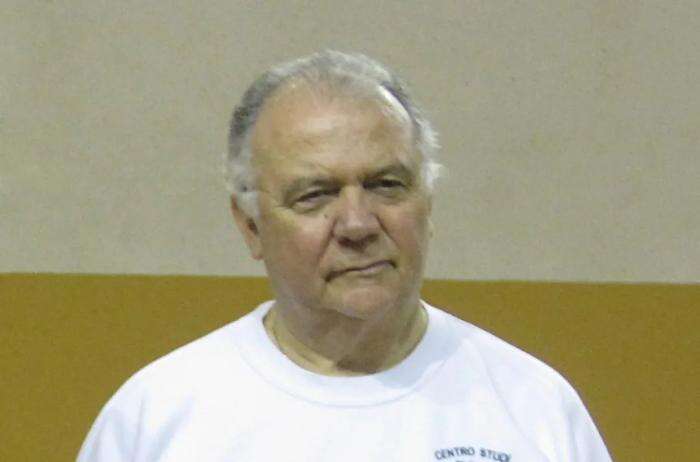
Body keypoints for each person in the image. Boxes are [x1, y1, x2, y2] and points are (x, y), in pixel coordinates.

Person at [77, 50, 612, 461]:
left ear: (428, 204)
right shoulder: (159, 418)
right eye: (315, 195)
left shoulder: (534, 409)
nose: (357, 224)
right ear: (250, 226)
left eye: (386, 185)